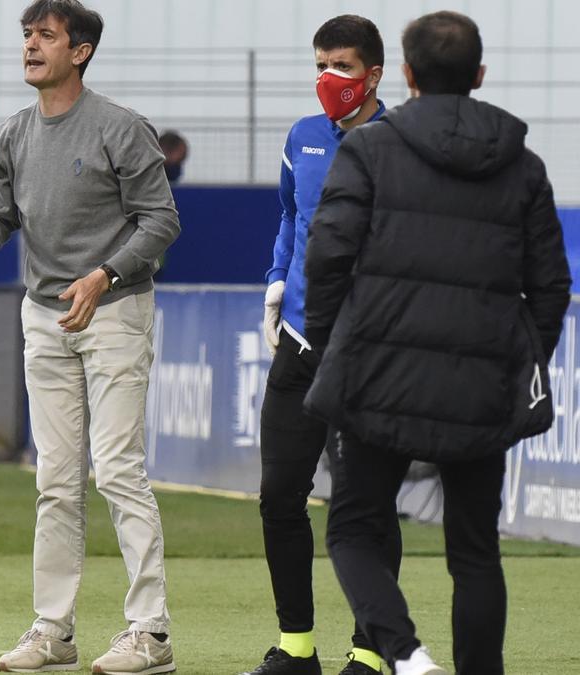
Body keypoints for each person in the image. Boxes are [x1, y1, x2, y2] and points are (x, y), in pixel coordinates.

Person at [304, 11, 571, 675]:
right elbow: (551, 286)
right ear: (479, 75)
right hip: (478, 385)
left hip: (377, 374)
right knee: (476, 550)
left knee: (351, 528)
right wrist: (518, 357)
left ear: (407, 75)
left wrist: (330, 347)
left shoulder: (367, 150)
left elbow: (326, 259)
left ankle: (406, 653)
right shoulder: (524, 165)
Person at [0, 1, 179, 672]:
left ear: (79, 52)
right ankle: (54, 630)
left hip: (114, 313)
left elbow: (161, 222)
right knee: (55, 479)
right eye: (26, 35)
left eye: (44, 35)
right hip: (42, 317)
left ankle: (151, 633)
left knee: (118, 470)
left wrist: (103, 277)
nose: (29, 45)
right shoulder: (13, 132)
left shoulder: (119, 128)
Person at [248, 15, 392, 675]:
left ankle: (370, 648)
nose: (328, 78)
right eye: (320, 64)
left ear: (375, 73)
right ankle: (297, 647)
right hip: (299, 344)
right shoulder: (301, 138)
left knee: (362, 503)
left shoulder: (402, 143)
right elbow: (288, 213)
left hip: (368, 350)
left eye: (342, 65)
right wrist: (278, 279)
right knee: (280, 491)